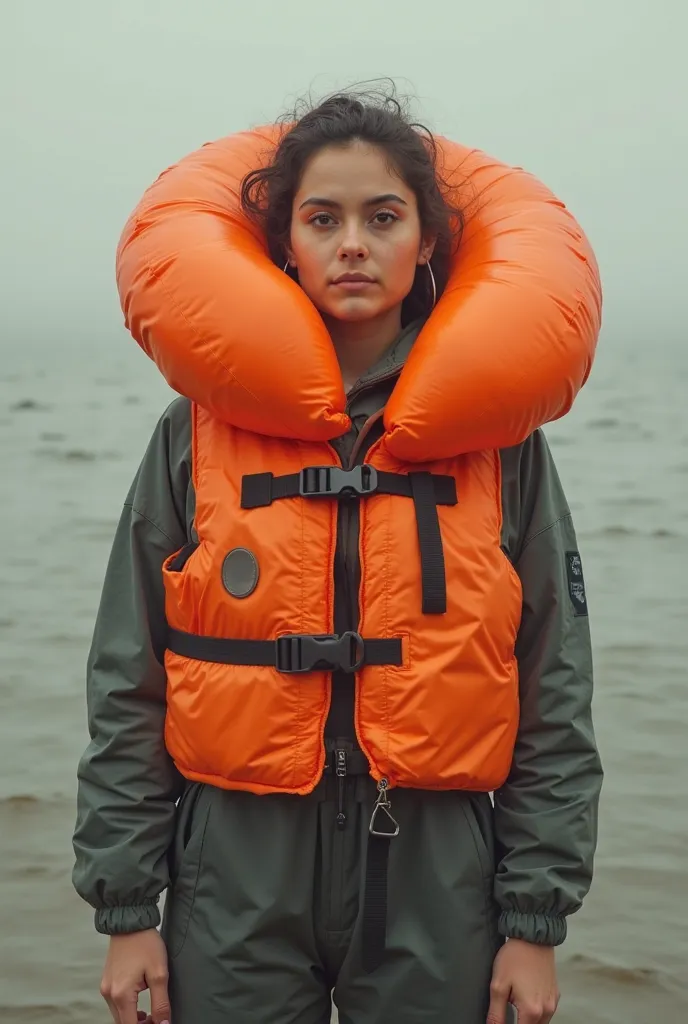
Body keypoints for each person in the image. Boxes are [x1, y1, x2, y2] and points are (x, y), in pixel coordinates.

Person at [73, 86, 603, 1024]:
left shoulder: (500, 439)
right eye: (323, 218)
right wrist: (127, 908)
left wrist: (534, 922)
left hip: (438, 868)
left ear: (429, 240)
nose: (352, 243)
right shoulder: (193, 431)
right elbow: (129, 672)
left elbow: (552, 678)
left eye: (383, 216)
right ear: (284, 242)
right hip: (233, 865)